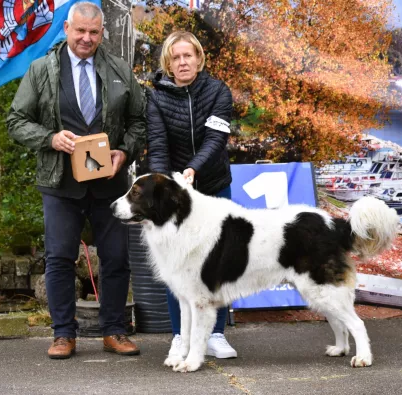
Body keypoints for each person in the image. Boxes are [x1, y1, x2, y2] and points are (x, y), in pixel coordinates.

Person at [7, 2, 146, 359]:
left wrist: (125, 152)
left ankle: (114, 331)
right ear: (66, 28)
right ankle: (63, 335)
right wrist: (50, 139)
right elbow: (16, 121)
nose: (86, 38)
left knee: (116, 259)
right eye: (80, 31)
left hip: (110, 185)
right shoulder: (40, 69)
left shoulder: (118, 69)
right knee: (59, 259)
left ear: (102, 33)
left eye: (93, 32)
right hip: (60, 184)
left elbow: (139, 121)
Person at [146, 31, 237, 359]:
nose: (183, 62)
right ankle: (179, 335)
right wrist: (163, 184)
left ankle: (215, 334)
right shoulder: (156, 98)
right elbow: (157, 146)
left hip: (213, 185)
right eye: (176, 57)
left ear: (199, 59)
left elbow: (216, 140)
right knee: (177, 262)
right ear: (168, 64)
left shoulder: (218, 91)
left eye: (188, 55)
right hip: (175, 193)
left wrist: (193, 170)